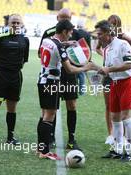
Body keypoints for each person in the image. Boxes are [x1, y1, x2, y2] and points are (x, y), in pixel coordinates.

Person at [37, 20, 96, 160]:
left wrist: (66, 44)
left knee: (44, 114)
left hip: (42, 80)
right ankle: (44, 151)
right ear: (64, 31)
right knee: (49, 115)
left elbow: (56, 45)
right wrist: (85, 68)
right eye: (69, 32)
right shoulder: (59, 48)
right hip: (51, 82)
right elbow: (69, 69)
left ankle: (40, 147)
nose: (70, 35)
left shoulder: (47, 40)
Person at [38, 8, 84, 150]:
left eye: (68, 17)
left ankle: (70, 138)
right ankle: (47, 142)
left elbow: (81, 55)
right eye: (62, 17)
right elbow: (42, 54)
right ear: (58, 18)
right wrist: (87, 68)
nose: (65, 20)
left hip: (59, 77)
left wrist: (65, 46)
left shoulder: (69, 34)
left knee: (70, 106)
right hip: (54, 77)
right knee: (50, 111)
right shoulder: (50, 34)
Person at [0, 14, 29, 144]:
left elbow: (24, 59)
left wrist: (14, 68)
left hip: (16, 76)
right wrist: (1, 67)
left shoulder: (25, 40)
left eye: (18, 23)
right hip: (1, 75)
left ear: (21, 24)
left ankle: (10, 137)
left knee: (12, 107)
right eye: (13, 22)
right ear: (8, 24)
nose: (15, 25)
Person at [96, 20, 131, 162]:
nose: (98, 37)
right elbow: (108, 69)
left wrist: (109, 69)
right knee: (114, 117)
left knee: (126, 116)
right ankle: (118, 150)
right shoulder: (107, 48)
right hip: (114, 83)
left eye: (100, 34)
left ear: (108, 33)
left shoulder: (123, 44)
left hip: (128, 82)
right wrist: (99, 72)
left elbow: (128, 64)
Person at [76, 20, 91, 95]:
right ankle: (82, 91)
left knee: (74, 73)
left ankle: (73, 89)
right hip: (84, 56)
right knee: (82, 74)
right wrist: (89, 59)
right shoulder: (87, 34)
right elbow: (89, 47)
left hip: (74, 56)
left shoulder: (73, 32)